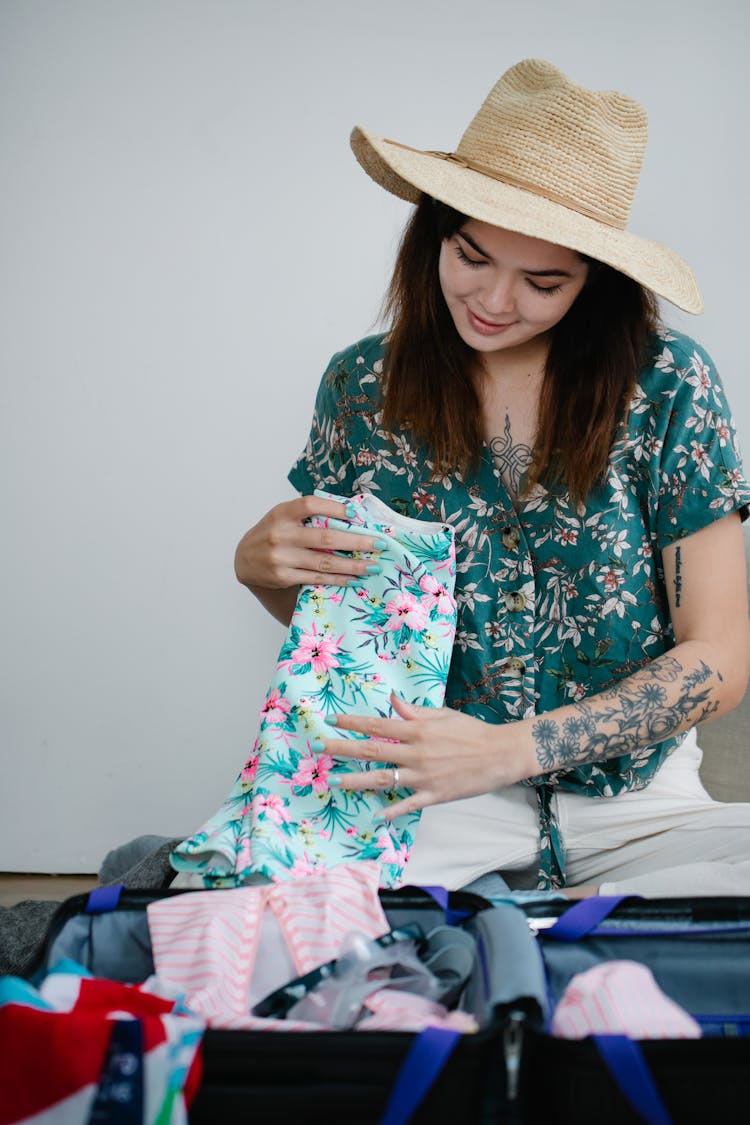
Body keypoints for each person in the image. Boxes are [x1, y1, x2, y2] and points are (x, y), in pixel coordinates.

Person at [233, 58, 750, 894]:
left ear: (597, 281)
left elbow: (720, 657)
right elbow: (347, 624)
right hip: (429, 794)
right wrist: (263, 574)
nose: (495, 301)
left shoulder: (669, 384)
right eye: (472, 256)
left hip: (641, 803)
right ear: (434, 229)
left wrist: (517, 747)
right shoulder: (361, 387)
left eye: (544, 281)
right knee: (249, 911)